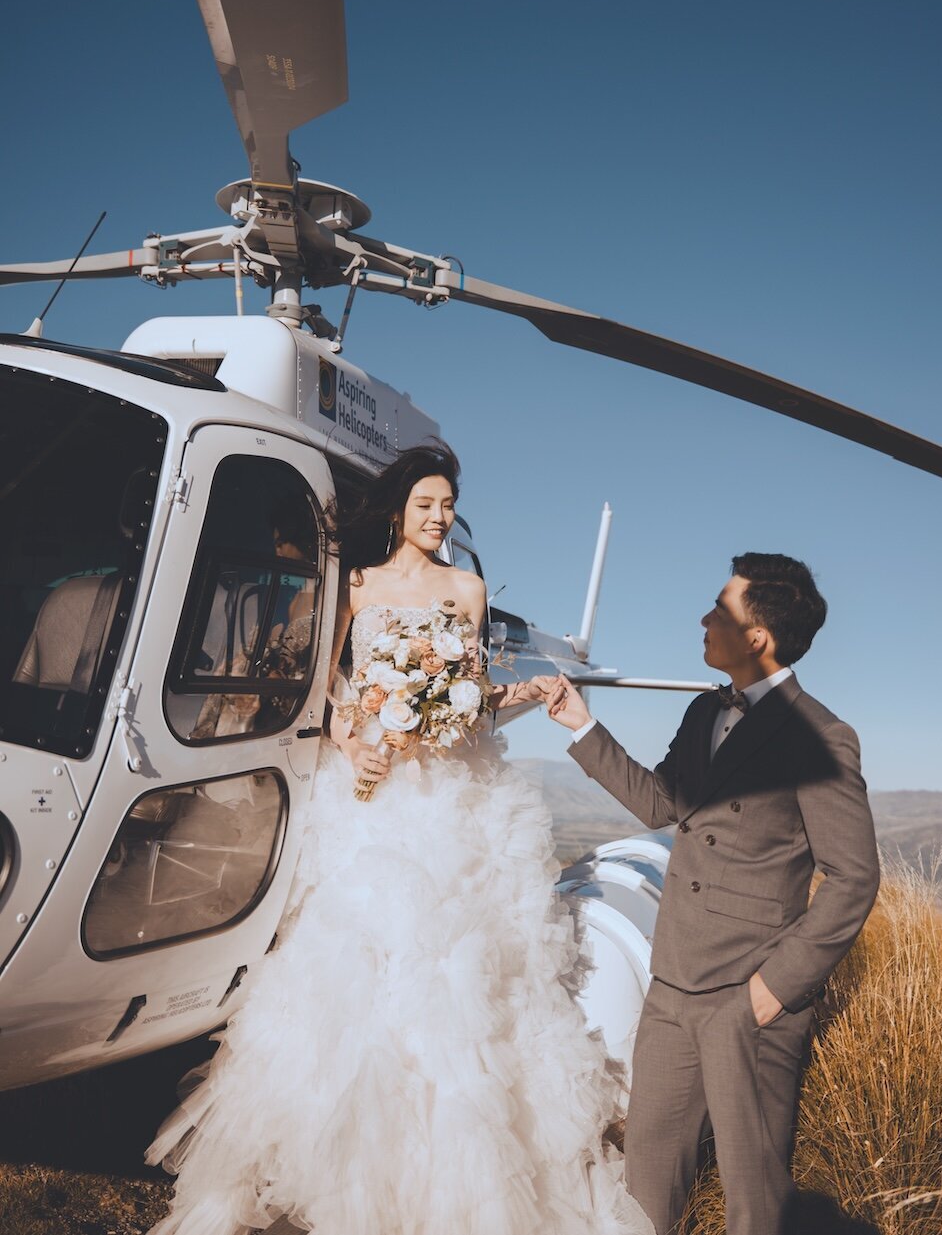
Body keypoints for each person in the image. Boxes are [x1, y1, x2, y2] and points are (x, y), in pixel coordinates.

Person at [144, 441, 653, 1235]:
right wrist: (353, 738)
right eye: (424, 503)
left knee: (460, 974)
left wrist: (494, 698)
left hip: (453, 796)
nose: (438, 516)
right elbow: (326, 686)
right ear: (398, 509)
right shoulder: (358, 585)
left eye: (447, 504)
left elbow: (472, 694)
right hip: (375, 800)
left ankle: (458, 1185)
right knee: (351, 959)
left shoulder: (468, 588)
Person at [540, 553, 880, 1235]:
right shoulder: (703, 712)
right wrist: (581, 725)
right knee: (648, 1180)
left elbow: (854, 879)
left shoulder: (823, 736)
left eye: (719, 608)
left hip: (748, 999)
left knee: (755, 1202)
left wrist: (771, 991)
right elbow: (662, 801)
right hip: (672, 985)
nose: (703, 617)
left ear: (757, 636)